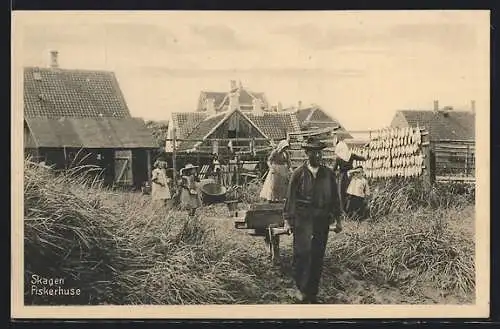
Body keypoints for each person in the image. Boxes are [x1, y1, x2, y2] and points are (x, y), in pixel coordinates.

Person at [283, 136, 342, 304]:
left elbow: (335, 200)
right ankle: (301, 289)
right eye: (314, 153)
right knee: (302, 254)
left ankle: (312, 293)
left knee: (317, 255)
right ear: (307, 153)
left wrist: (338, 221)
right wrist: (288, 221)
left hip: (321, 220)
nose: (318, 156)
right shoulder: (298, 174)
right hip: (303, 220)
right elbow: (290, 200)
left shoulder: (328, 174)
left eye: (320, 153)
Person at [333, 133, 367, 214]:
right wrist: (365, 156)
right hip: (351, 176)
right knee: (352, 193)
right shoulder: (350, 155)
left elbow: (334, 169)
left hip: (342, 177)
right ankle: (353, 210)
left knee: (342, 193)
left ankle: (344, 211)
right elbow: (362, 158)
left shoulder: (338, 158)